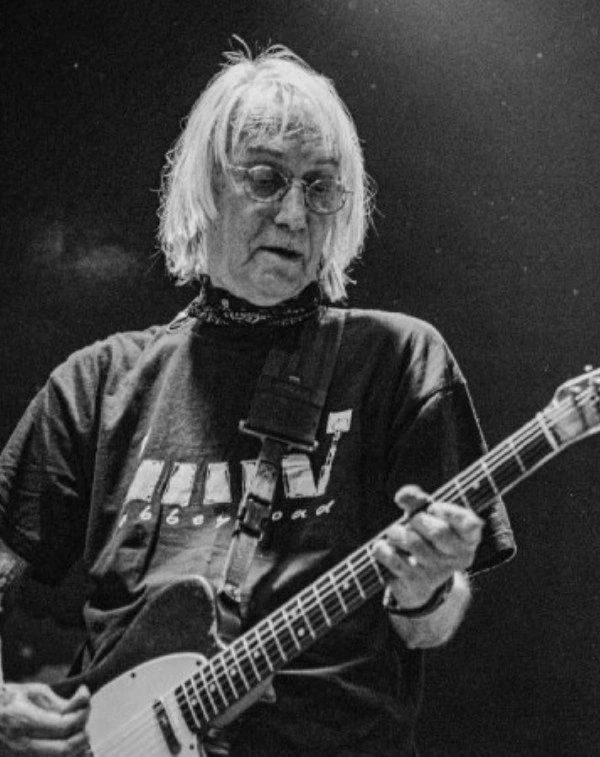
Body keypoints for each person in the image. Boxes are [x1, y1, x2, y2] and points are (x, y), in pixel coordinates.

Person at [0, 45, 515, 755]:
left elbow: (428, 626)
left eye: (321, 188)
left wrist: (427, 585)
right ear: (207, 186)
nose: (295, 215)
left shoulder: (399, 359)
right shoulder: (98, 384)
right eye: (267, 180)